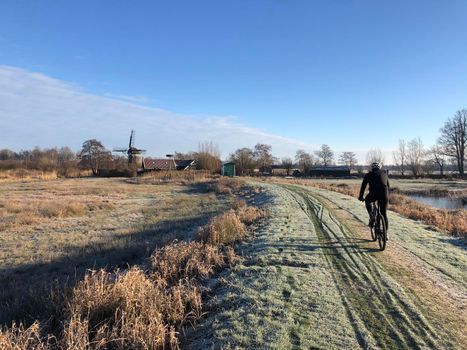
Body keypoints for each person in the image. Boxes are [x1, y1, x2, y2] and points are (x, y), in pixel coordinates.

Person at [358, 162, 390, 237]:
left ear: (372, 168)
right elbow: (388, 186)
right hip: (384, 195)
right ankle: (386, 234)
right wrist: (388, 197)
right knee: (384, 213)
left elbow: (363, 187)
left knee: (367, 200)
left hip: (373, 194)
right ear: (380, 168)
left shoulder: (368, 175)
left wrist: (361, 197)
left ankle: (371, 215)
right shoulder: (384, 173)